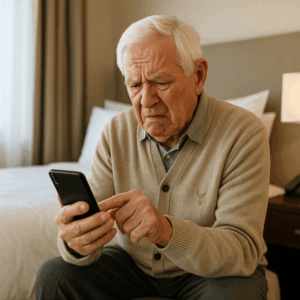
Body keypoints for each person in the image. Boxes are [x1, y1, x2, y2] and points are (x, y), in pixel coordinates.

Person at [35, 15, 270, 300]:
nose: (146, 100)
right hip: (133, 267)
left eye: (161, 82)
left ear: (198, 75)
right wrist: (76, 242)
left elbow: (242, 248)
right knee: (54, 275)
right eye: (134, 85)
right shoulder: (115, 132)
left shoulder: (244, 133)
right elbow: (92, 232)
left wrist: (166, 231)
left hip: (211, 274)